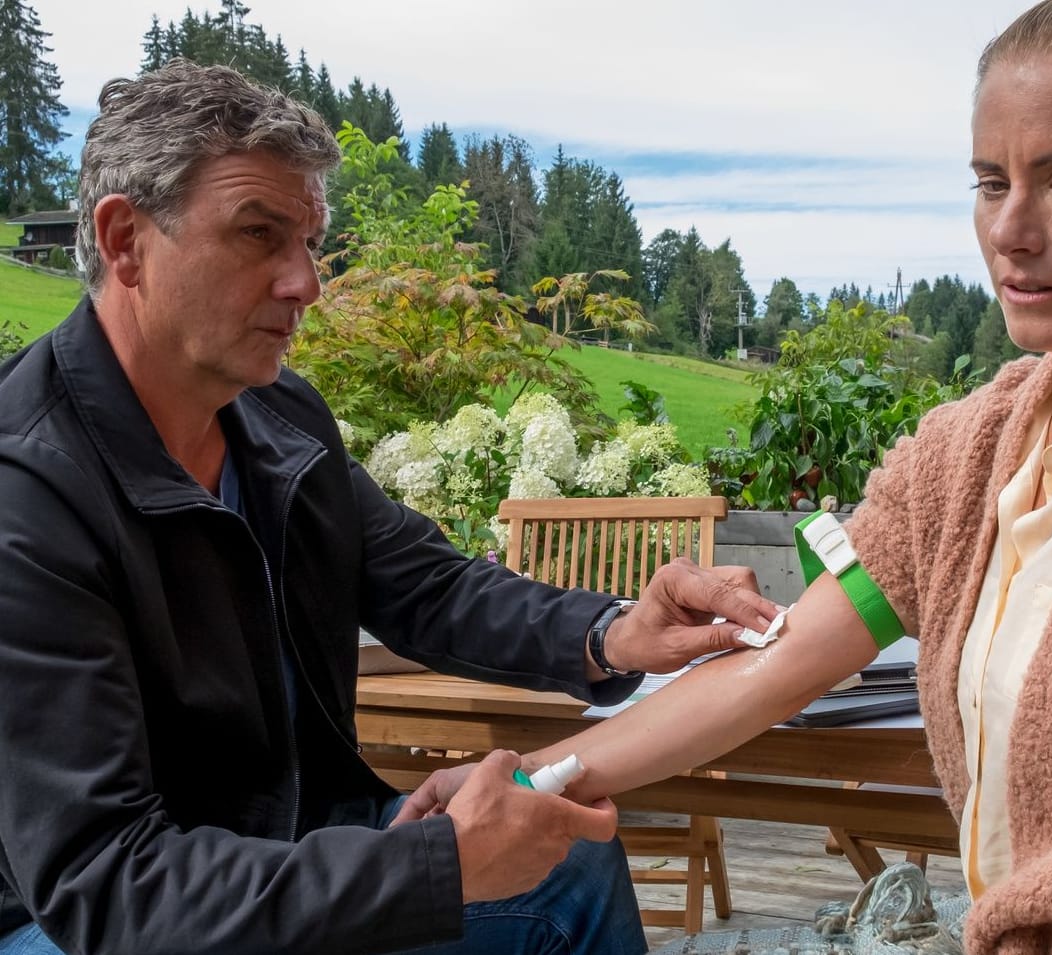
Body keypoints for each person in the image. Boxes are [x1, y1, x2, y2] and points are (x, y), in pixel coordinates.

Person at [406, 1, 1052, 952]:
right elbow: (775, 664)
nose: (1011, 230)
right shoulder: (970, 453)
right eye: (991, 182)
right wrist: (535, 775)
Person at [0, 61, 778, 955]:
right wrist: (436, 869)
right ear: (125, 239)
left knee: (564, 854)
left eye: (309, 242)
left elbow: (429, 586)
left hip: (290, 841)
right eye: (259, 234)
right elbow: (105, 885)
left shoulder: (278, 419)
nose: (305, 283)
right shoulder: (27, 490)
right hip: (78, 919)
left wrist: (612, 631)